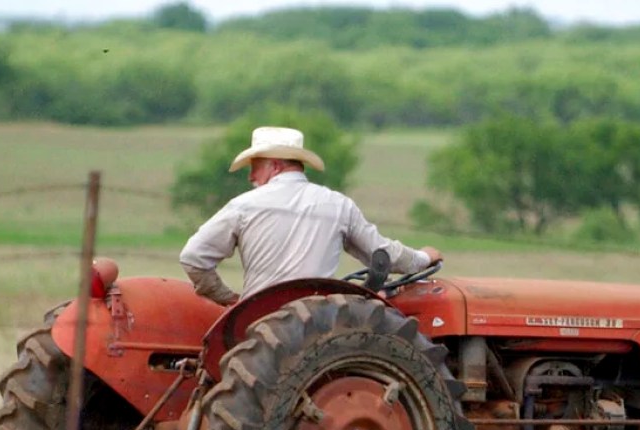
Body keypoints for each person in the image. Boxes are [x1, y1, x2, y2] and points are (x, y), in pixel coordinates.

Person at [179, 126, 442, 306]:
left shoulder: (243, 206)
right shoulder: (338, 205)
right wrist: (423, 258)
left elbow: (193, 257)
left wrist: (229, 299)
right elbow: (383, 255)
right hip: (320, 320)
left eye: (255, 167)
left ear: (275, 165)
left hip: (257, 319)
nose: (250, 177)